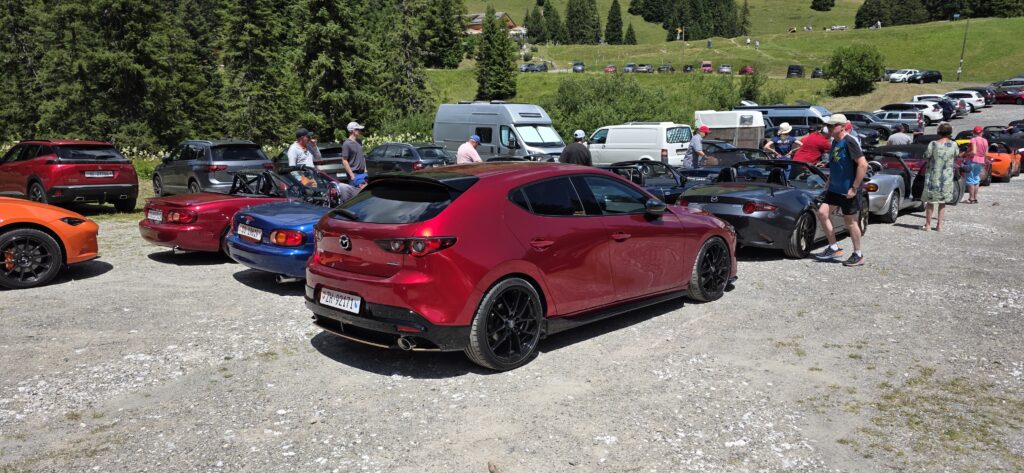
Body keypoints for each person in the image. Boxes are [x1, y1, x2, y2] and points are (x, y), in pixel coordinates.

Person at [813, 114, 868, 267]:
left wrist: (855, 187)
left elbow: (863, 164)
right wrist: (830, 180)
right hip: (835, 188)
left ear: (842, 126)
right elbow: (836, 164)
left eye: (832, 125)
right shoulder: (834, 142)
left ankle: (858, 254)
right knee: (822, 213)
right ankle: (833, 248)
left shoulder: (849, 141)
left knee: (850, 221)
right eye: (828, 126)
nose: (829, 128)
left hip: (848, 189)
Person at [920, 123, 957, 231]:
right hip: (947, 177)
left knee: (930, 201)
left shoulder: (933, 144)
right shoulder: (954, 144)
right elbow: (956, 154)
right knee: (942, 202)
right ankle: (939, 225)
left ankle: (928, 225)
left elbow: (926, 155)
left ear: (939, 132)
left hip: (933, 176)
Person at [963, 126, 988, 204]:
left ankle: (971, 198)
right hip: (980, 161)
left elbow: (974, 151)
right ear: (981, 132)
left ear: (973, 132)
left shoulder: (973, 139)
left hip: (972, 160)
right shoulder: (985, 140)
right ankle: (975, 198)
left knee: (970, 179)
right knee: (976, 179)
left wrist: (966, 154)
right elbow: (986, 153)